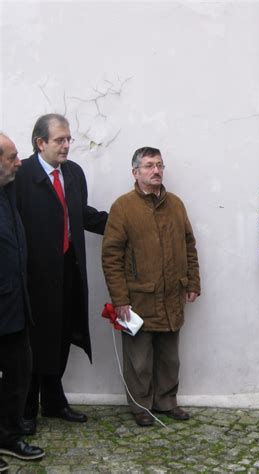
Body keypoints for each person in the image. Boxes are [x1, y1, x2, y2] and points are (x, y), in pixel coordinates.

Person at [14, 114, 108, 430]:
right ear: (40, 143)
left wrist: (120, 225)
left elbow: (81, 215)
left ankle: (54, 401)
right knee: (34, 342)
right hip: (34, 277)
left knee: (62, 336)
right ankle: (26, 407)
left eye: (68, 139)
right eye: (59, 140)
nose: (67, 145)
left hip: (69, 270)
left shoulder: (73, 173)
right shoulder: (22, 175)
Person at [102, 146, 200, 426]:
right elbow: (111, 256)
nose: (156, 170)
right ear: (135, 172)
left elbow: (189, 244)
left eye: (159, 165)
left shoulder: (176, 204)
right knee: (139, 359)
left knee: (170, 357)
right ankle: (140, 406)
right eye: (148, 166)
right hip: (138, 298)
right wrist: (120, 299)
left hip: (171, 295)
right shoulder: (123, 207)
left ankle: (166, 401)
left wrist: (192, 281)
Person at [0, 133, 45, 469]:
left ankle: (9, 436)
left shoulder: (8, 192)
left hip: (16, 305)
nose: (19, 162)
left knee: (19, 373)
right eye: (12, 157)